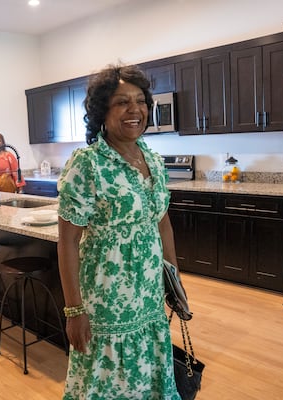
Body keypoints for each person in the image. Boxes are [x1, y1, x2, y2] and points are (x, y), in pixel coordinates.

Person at [57, 64, 182, 399]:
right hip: (106, 299)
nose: (134, 110)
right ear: (103, 112)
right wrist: (74, 310)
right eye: (122, 102)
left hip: (150, 295)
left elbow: (162, 221)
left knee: (148, 372)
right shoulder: (88, 163)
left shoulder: (153, 161)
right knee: (106, 380)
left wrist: (173, 276)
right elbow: (67, 241)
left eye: (140, 101)